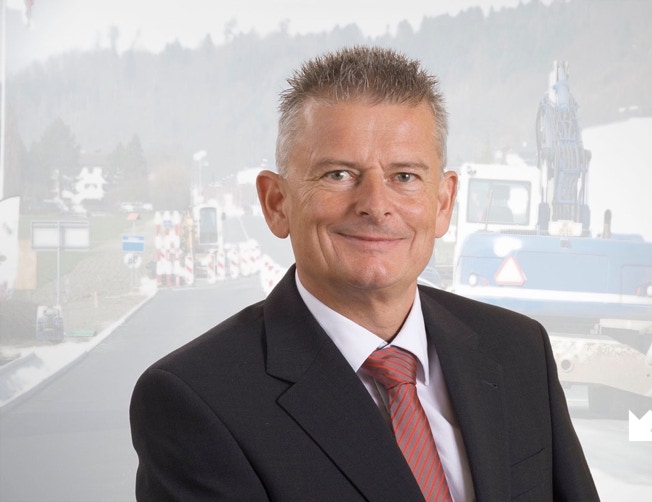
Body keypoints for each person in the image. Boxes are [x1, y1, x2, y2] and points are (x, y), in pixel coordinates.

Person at [130, 46, 599, 501]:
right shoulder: (196, 400)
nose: (376, 205)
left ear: (443, 203)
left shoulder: (518, 350)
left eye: (404, 177)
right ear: (276, 203)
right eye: (338, 174)